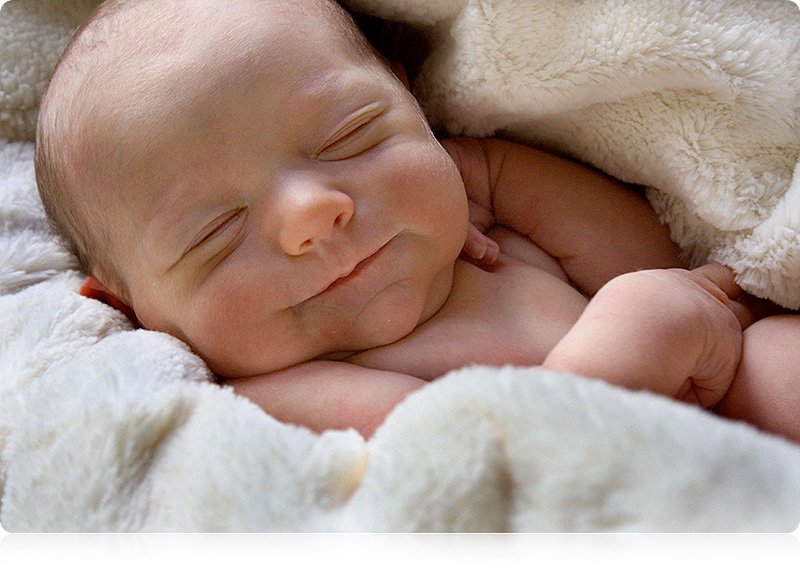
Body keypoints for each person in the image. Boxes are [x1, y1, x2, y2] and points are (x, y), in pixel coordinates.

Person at [35, 0, 800, 441]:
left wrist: (481, 172)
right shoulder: (282, 392)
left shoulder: (489, 241)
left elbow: (653, 262)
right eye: (213, 231)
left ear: (417, 109)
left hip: (709, 403)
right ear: (130, 308)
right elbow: (495, 451)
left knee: (776, 358)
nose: (312, 213)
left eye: (351, 137)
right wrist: (634, 337)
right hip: (621, 487)